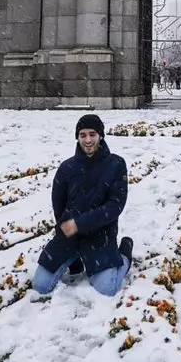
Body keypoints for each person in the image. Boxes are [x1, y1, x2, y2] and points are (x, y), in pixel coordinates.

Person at [32, 115, 133, 297]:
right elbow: (58, 205)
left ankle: (125, 254)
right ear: (77, 137)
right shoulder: (67, 168)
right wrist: (66, 230)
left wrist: (79, 223)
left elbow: (114, 206)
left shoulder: (116, 165)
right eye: (82, 135)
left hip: (100, 236)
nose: (87, 140)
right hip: (70, 236)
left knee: (107, 288)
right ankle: (75, 258)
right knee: (40, 285)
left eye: (92, 134)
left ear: (101, 135)